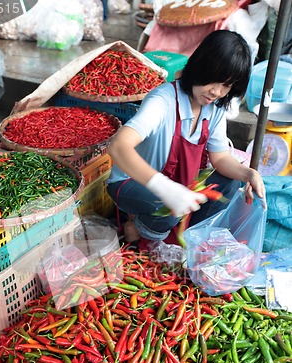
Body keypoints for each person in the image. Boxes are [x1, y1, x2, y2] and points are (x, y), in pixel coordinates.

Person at [106, 30, 265, 250]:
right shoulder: (162, 101)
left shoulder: (215, 108)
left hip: (180, 186)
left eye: (226, 85)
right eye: (214, 80)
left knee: (229, 184)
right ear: (200, 66)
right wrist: (165, 188)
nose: (216, 91)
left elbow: (220, 159)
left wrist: (249, 174)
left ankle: (187, 241)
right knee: (164, 205)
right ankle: (139, 232)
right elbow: (118, 146)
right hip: (131, 183)